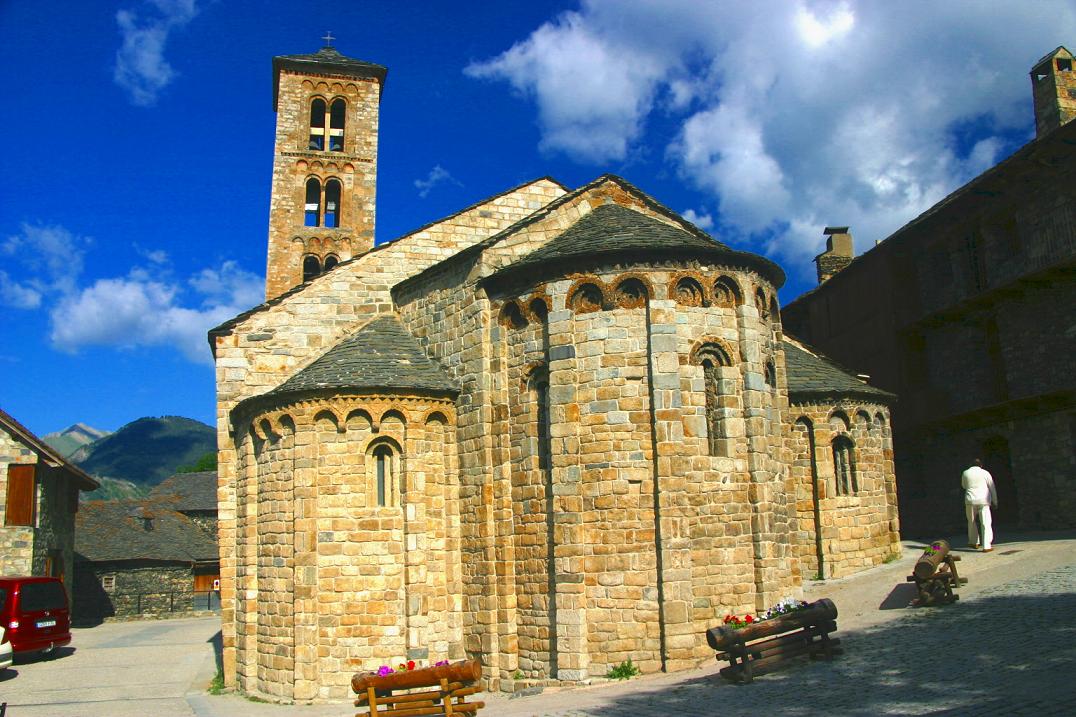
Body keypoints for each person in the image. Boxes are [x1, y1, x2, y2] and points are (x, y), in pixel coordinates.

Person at [961, 459, 997, 552]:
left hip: (970, 500)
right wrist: (995, 501)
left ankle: (974, 542)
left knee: (971, 521)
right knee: (985, 523)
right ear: (980, 465)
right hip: (983, 500)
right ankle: (987, 545)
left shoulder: (965, 473)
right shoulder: (985, 473)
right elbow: (992, 487)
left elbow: (964, 486)